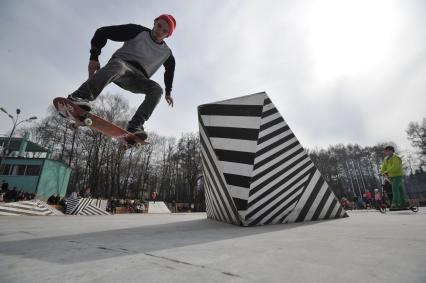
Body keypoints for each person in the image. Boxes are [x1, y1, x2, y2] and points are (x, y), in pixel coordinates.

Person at [67, 14, 176, 140]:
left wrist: (168, 92)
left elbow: (170, 71)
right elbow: (102, 32)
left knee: (157, 89)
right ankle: (79, 97)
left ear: (168, 35)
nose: (159, 31)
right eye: (159, 26)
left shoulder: (167, 53)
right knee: (119, 66)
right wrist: (94, 57)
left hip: (138, 79)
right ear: (155, 22)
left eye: (164, 31)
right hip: (121, 65)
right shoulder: (137, 31)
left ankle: (135, 126)